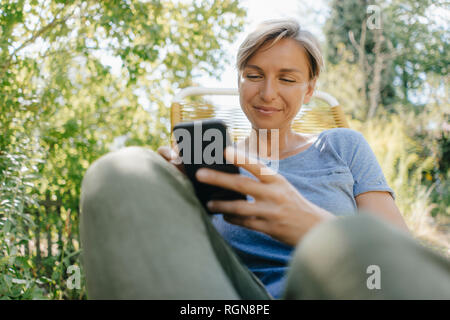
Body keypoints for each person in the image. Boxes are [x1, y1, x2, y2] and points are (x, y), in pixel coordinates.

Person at [79, 19, 450, 299]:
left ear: (309, 89)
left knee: (369, 241)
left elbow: (398, 261)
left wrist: (312, 225)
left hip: (336, 291)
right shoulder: (214, 161)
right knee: (120, 172)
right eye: (253, 75)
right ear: (240, 82)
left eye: (287, 79)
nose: (267, 93)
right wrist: (170, 189)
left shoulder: (343, 146)